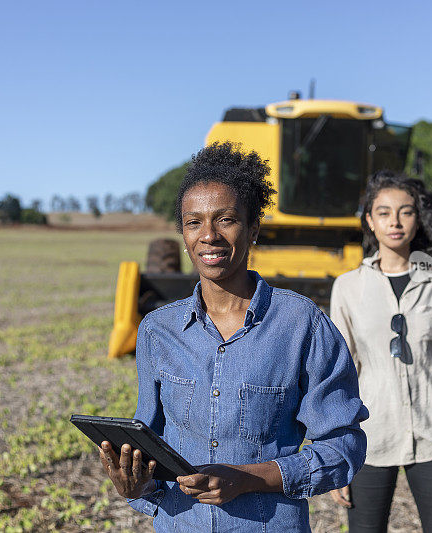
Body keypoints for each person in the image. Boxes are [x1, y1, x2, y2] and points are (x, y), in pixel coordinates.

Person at [98, 142, 369, 532]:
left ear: (253, 228)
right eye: (194, 223)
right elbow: (149, 444)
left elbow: (343, 448)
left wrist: (247, 478)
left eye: (225, 220)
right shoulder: (158, 330)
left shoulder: (301, 324)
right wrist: (136, 484)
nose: (208, 235)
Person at [329, 170, 432, 532]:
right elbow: (339, 378)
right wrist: (337, 457)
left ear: (418, 219)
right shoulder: (348, 288)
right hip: (371, 437)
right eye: (383, 212)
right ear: (369, 220)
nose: (395, 222)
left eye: (406, 212)